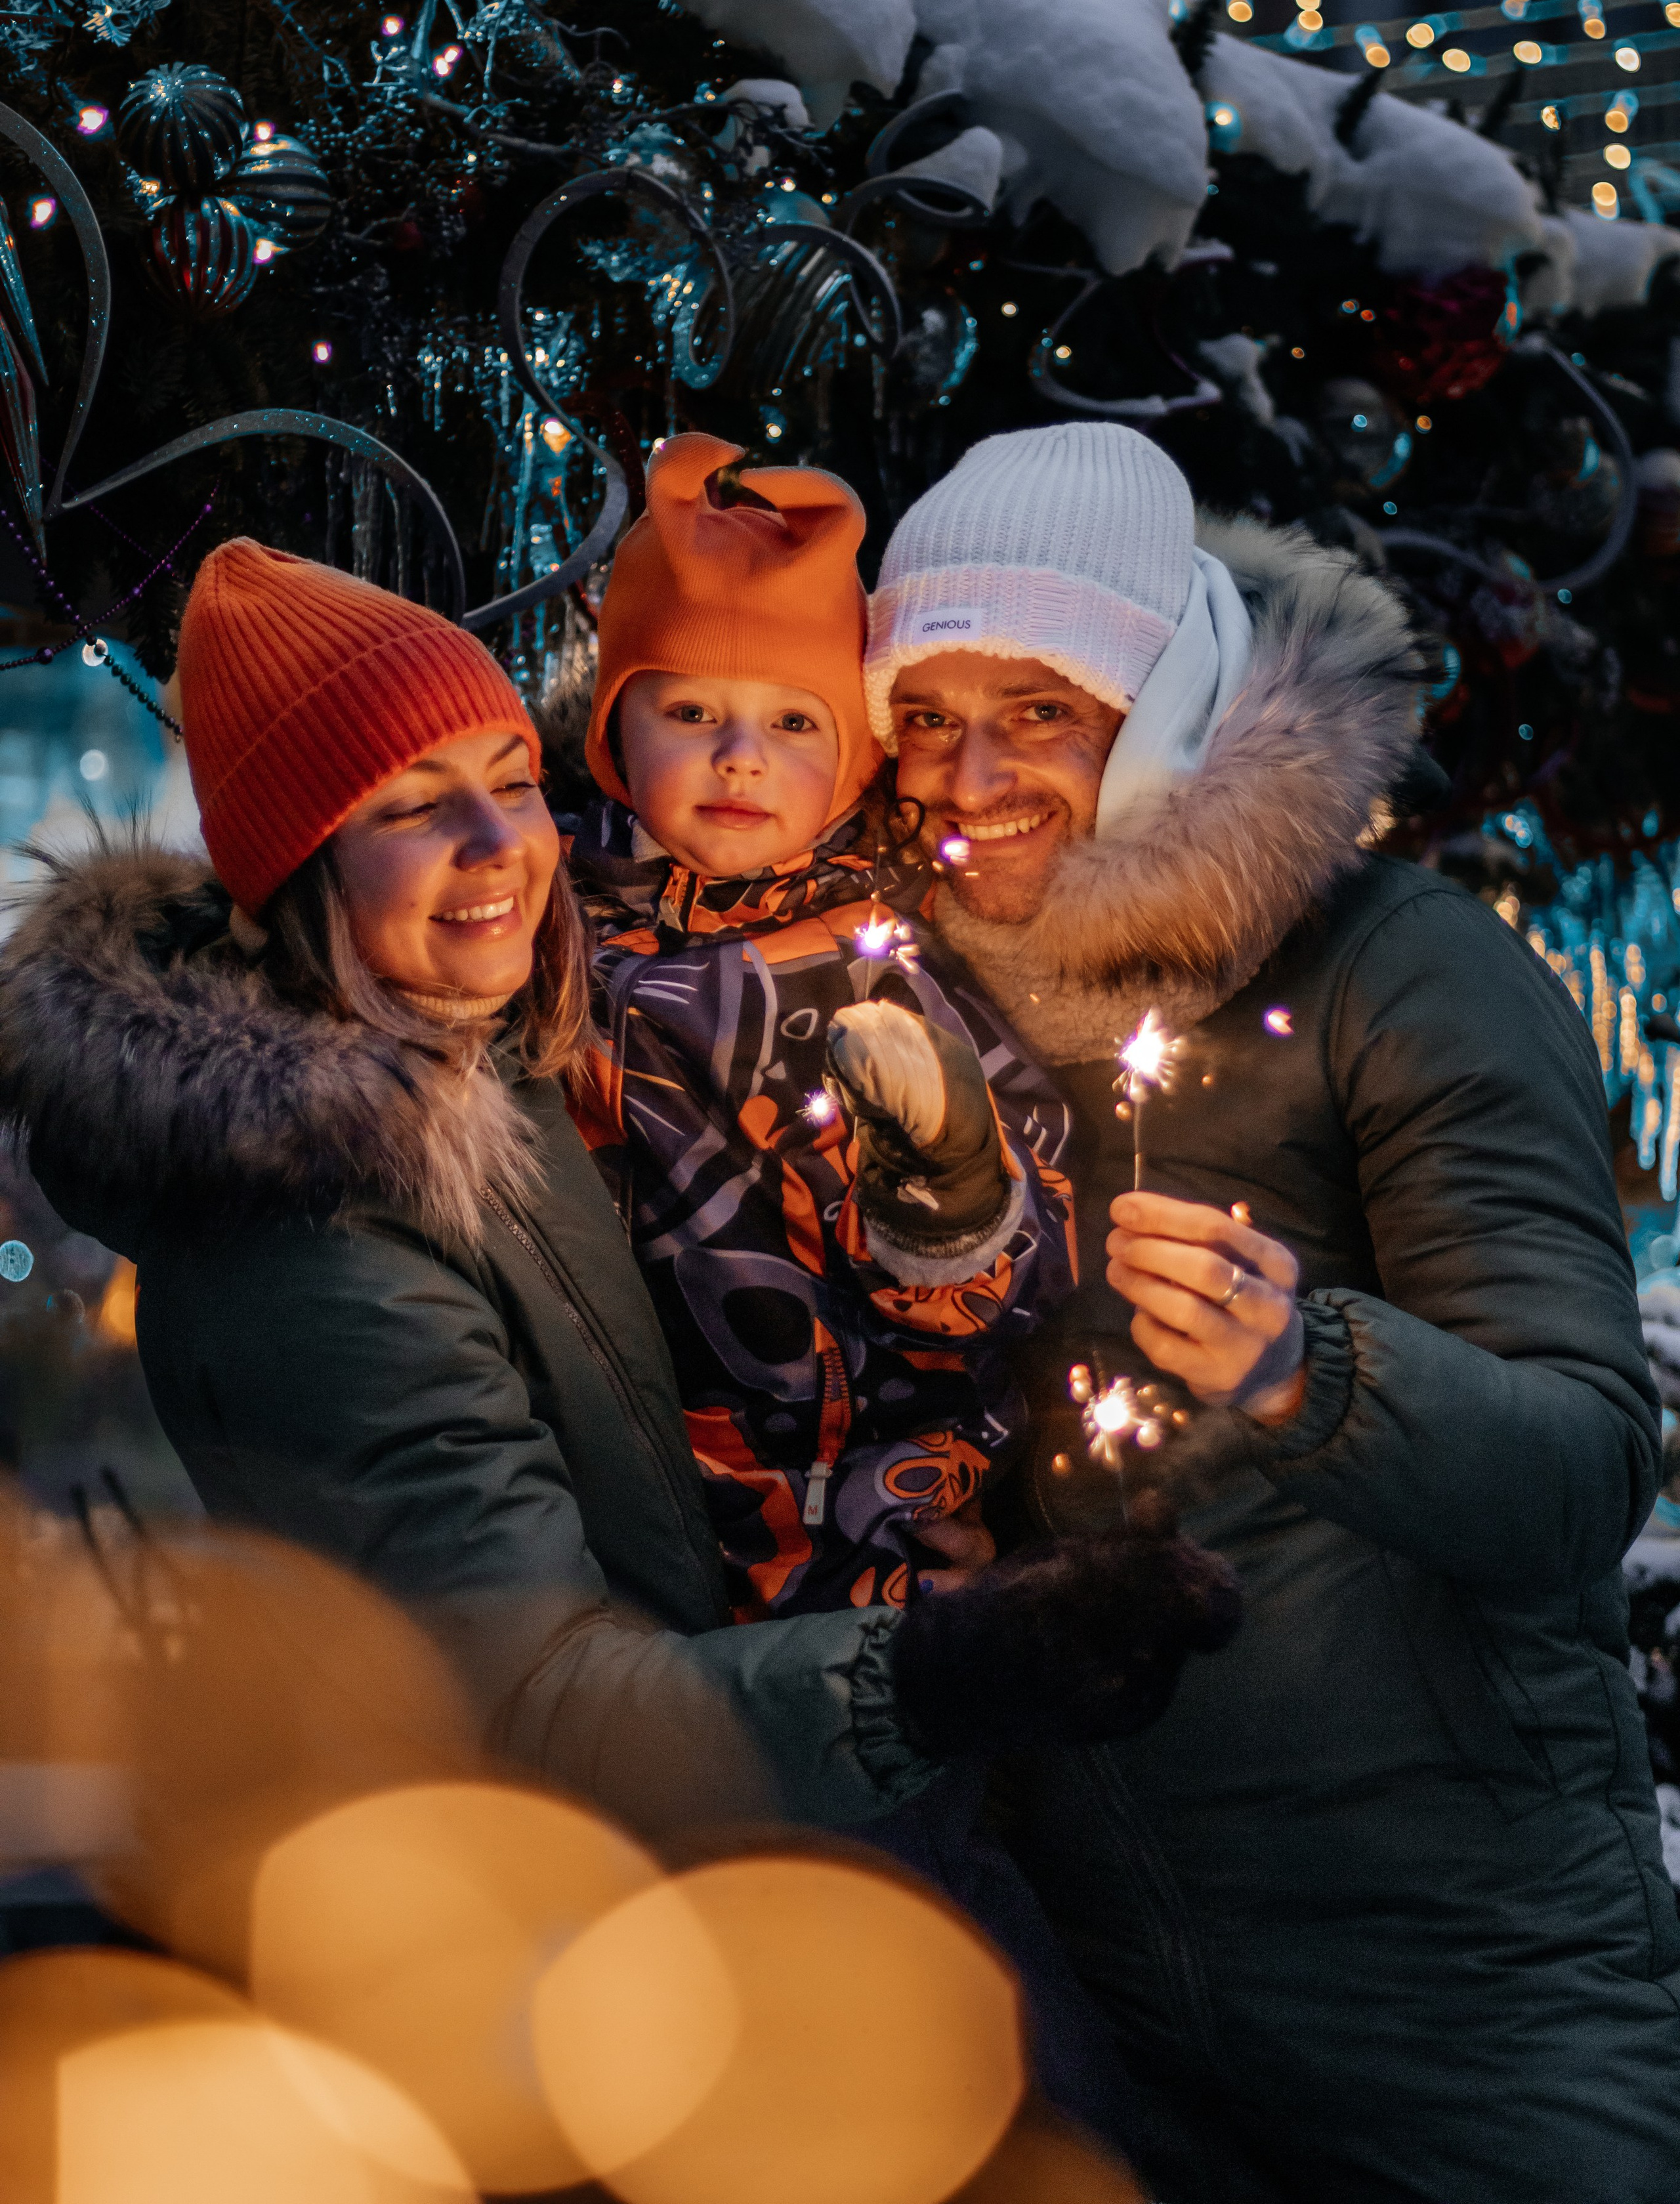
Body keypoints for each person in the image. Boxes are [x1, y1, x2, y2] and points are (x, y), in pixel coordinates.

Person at [0, 537, 1238, 1896]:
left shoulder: (511, 1041)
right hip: (602, 1910)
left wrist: (913, 1511)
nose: (499, 848)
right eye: (412, 806)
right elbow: (531, 1705)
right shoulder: (306, 1239)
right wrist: (932, 1673)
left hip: (768, 1782)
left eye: (510, 783)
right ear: (299, 868)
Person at [864, 419, 1680, 2203]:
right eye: (921, 712)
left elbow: (1578, 1471)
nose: (966, 772)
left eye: (1040, 709)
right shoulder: (888, 998)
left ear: (1162, 710)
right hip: (1092, 2001)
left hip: (1459, 1993)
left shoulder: (1397, 969)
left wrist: (1310, 1369)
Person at [568, 431, 1076, 1620]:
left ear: (851, 757)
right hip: (621, 1510)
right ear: (615, 734)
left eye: (794, 724)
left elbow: (1029, 1252)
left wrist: (948, 1186)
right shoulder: (548, 920)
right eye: (689, 709)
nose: (739, 758)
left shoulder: (874, 961)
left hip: (855, 1518)